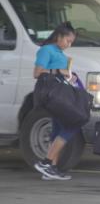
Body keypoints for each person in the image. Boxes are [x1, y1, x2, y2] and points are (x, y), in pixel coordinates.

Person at [33, 22, 78, 180]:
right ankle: (46, 163)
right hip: (53, 96)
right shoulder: (46, 50)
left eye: (71, 42)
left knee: (58, 129)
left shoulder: (60, 53)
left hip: (61, 94)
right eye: (68, 40)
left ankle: (51, 168)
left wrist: (70, 76)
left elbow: (61, 73)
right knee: (71, 125)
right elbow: (37, 73)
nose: (69, 44)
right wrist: (60, 71)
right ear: (59, 37)